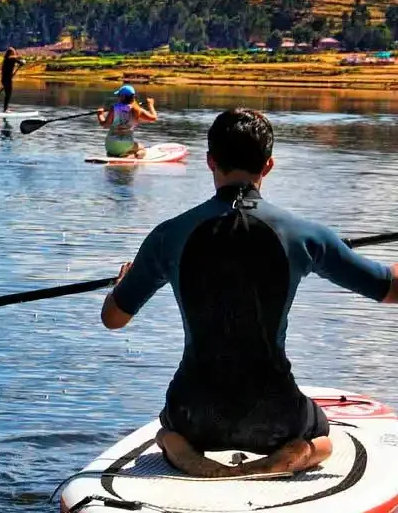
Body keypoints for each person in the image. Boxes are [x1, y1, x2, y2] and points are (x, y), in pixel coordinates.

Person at [101, 108, 398, 478]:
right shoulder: (305, 235)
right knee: (324, 439)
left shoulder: (167, 235)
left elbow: (114, 319)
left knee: (167, 429)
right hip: (276, 415)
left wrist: (120, 286)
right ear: (269, 165)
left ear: (210, 161)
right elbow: (389, 289)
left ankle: (176, 446)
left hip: (193, 413)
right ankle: (290, 455)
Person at [96, 84, 157, 157]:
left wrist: (99, 115)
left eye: (119, 95)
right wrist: (150, 105)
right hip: (126, 144)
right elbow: (154, 118)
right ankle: (129, 157)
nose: (118, 97)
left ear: (123, 97)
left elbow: (105, 125)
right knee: (142, 149)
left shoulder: (114, 108)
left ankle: (115, 154)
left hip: (110, 145)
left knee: (112, 152)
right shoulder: (138, 110)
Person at [0, 47, 26, 113]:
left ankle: (5, 109)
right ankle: (5, 109)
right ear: (11, 53)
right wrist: (23, 61)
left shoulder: (7, 59)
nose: (15, 52)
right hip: (7, 80)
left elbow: (17, 60)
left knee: (8, 94)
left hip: (5, 79)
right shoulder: (11, 59)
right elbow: (20, 62)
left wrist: (20, 59)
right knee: (8, 94)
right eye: (13, 52)